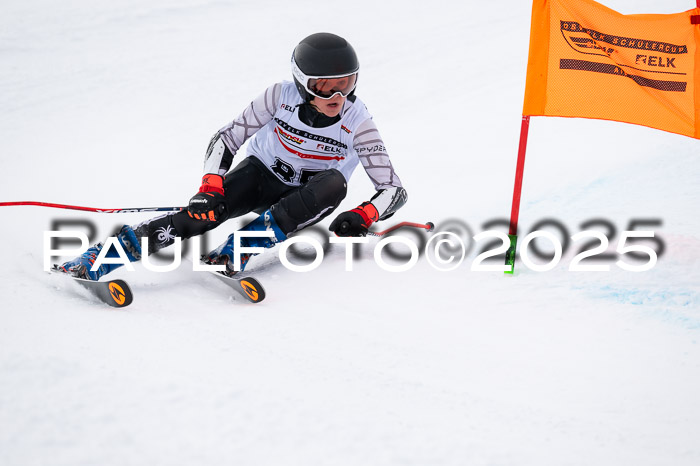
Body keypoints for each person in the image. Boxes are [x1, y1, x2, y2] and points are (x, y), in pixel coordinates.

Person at [59, 32, 407, 280]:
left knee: (335, 181)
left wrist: (365, 214)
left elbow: (393, 188)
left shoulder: (358, 121)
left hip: (309, 196)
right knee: (203, 214)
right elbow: (227, 137)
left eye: (346, 83)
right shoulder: (278, 96)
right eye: (325, 86)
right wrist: (210, 186)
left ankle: (236, 249)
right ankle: (103, 256)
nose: (338, 96)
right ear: (302, 83)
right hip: (261, 177)